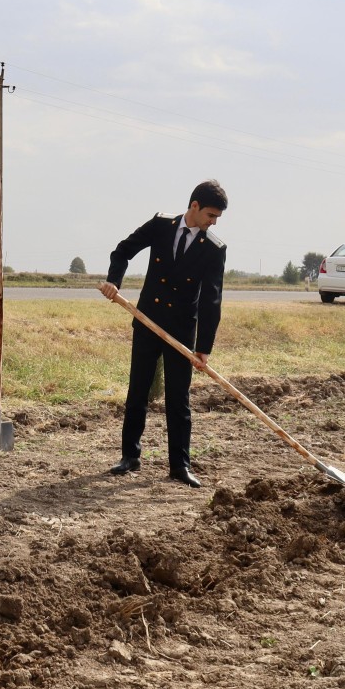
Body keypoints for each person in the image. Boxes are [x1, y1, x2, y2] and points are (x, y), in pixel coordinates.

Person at [100, 180, 228, 486]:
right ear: (194, 206)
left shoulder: (213, 248)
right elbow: (122, 251)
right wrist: (113, 282)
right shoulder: (160, 225)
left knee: (178, 398)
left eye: (217, 218)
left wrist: (204, 347)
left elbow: (212, 299)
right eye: (211, 215)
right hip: (147, 320)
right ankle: (130, 457)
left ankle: (179, 466)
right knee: (138, 391)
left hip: (183, 330)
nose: (213, 222)